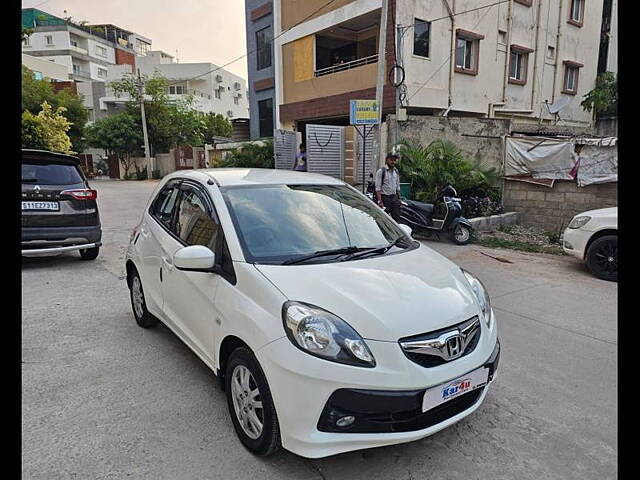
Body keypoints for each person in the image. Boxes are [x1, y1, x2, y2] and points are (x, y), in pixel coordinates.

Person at [374, 153, 402, 222]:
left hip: (394, 197)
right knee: (384, 219)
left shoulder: (396, 171)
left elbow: (397, 186)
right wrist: (380, 201)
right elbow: (378, 188)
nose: (393, 162)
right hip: (385, 198)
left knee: (396, 217)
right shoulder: (381, 171)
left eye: (394, 160)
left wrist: (399, 198)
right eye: (391, 160)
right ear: (387, 160)